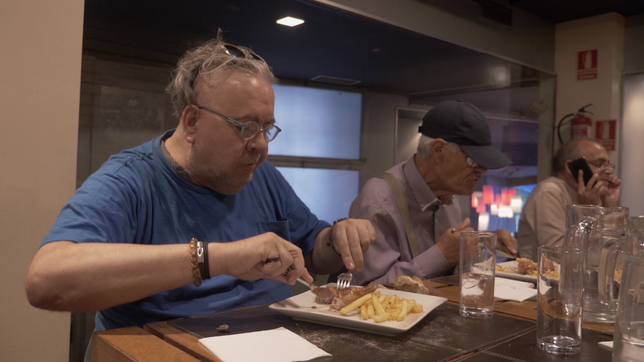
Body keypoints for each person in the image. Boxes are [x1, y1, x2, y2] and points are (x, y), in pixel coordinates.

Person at [25, 36, 376, 331]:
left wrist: (337, 237)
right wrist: (214, 258)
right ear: (192, 122)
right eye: (245, 127)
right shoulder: (131, 180)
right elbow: (46, 282)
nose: (261, 146)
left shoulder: (260, 174)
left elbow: (313, 252)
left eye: (266, 128)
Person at [349, 100, 518, 286]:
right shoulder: (379, 199)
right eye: (473, 160)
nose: (483, 171)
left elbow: (451, 258)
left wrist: (482, 241)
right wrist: (441, 256)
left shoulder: (449, 195)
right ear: (439, 150)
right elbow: (368, 288)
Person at [517, 139, 621, 260]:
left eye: (608, 164)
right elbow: (559, 254)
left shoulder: (591, 196)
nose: (610, 171)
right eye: (600, 164)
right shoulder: (549, 191)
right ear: (572, 167)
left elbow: (614, 253)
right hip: (536, 277)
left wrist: (610, 209)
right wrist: (587, 212)